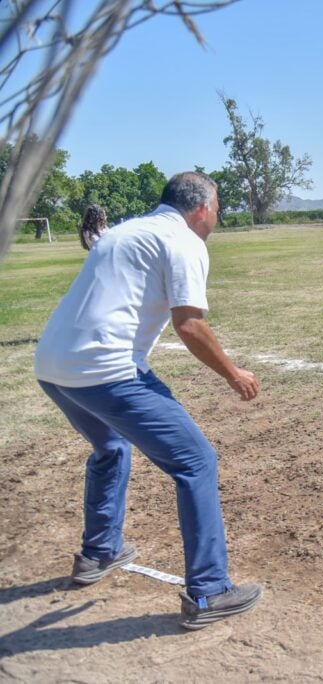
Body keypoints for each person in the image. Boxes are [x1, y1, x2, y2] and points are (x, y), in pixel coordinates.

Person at [34, 172, 262, 630]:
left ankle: (99, 552)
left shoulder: (125, 230)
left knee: (111, 446)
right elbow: (190, 325)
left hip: (52, 368)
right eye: (216, 208)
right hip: (105, 371)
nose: (216, 217)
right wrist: (233, 374)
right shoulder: (183, 241)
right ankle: (210, 591)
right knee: (195, 461)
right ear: (201, 207)